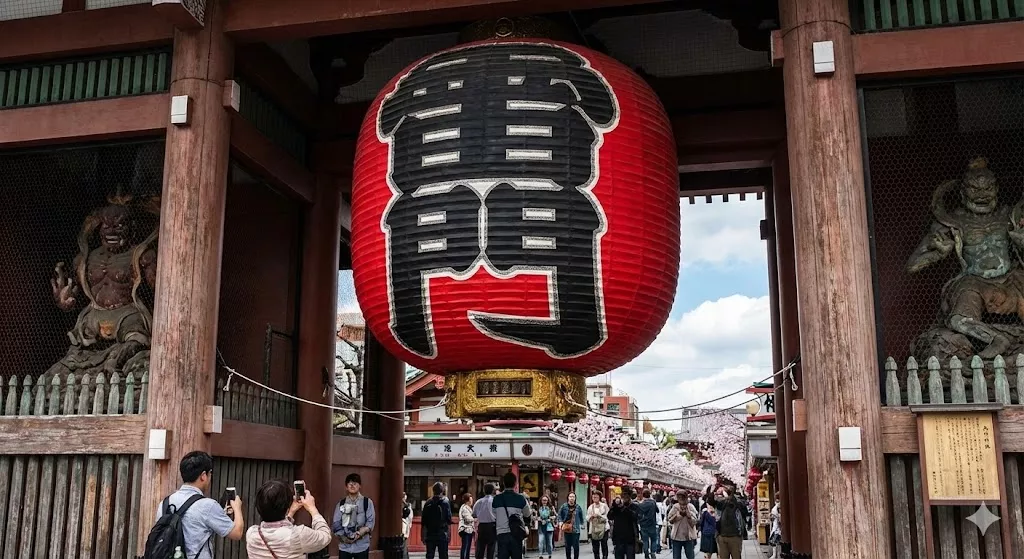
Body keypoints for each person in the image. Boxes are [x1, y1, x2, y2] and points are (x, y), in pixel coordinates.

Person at [153, 450, 244, 559]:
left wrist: (222, 512)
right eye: (210, 473)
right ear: (203, 475)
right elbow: (237, 533)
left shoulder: (165, 503)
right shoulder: (208, 506)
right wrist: (237, 508)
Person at [245, 480, 332, 558]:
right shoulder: (298, 535)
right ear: (287, 507)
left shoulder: (252, 533)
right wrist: (312, 508)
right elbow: (325, 536)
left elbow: (279, 529)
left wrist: (290, 512)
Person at [333, 473, 376, 559]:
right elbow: (336, 524)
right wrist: (345, 538)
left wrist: (359, 533)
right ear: (346, 487)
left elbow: (370, 523)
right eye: (350, 483)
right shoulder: (341, 504)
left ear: (360, 486)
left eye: (355, 483)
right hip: (344, 547)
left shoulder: (367, 502)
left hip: (362, 546)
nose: (352, 486)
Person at [493, 472, 532, 559]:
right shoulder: (521, 498)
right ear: (515, 484)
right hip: (516, 534)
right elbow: (527, 514)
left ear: (503, 483)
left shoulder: (496, 499)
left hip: (501, 534)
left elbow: (493, 515)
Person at [711, 485, 746, 559]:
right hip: (722, 536)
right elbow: (711, 501)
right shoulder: (722, 502)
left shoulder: (738, 502)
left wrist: (731, 497)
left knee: (736, 557)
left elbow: (744, 510)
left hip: (735, 536)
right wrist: (712, 490)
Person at [422, 482, 454, 559]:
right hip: (442, 533)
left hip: (430, 533)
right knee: (443, 555)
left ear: (433, 490)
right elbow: (449, 519)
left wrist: (423, 535)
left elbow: (424, 520)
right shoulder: (445, 502)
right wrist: (449, 534)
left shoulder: (428, 502)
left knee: (429, 555)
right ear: (442, 490)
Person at [608, 490, 640, 559]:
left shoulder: (634, 506)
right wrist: (614, 506)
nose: (624, 499)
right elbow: (610, 516)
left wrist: (624, 508)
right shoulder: (616, 508)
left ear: (629, 498)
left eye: (626, 497)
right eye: (623, 497)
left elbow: (635, 517)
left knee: (630, 556)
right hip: (618, 538)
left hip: (630, 538)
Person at [665, 491, 698, 559]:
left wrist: (689, 516)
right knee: (676, 556)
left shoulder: (690, 507)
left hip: (688, 536)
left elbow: (695, 522)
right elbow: (669, 519)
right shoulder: (675, 507)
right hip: (676, 536)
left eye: (682, 497)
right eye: (679, 497)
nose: (681, 499)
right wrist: (677, 516)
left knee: (690, 556)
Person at [474, 483, 498, 559]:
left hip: (482, 526)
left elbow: (474, 514)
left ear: (484, 491)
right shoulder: (495, 501)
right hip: (492, 526)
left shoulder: (478, 502)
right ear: (493, 491)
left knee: (480, 549)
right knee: (491, 550)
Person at [557, 493, 584, 559]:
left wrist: (582, 524)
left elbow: (581, 516)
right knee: (568, 546)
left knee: (576, 546)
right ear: (568, 498)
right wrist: (560, 522)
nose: (572, 498)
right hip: (567, 529)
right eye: (570, 496)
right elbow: (559, 515)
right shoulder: (564, 506)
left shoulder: (578, 507)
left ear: (575, 498)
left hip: (576, 529)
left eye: (573, 497)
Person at [636, 490, 659, 559]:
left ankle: (646, 552)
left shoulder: (640, 505)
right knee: (654, 539)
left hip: (644, 525)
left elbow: (638, 515)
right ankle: (653, 552)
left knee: (645, 540)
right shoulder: (653, 503)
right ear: (649, 495)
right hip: (652, 524)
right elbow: (657, 511)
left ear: (643, 495)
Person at [587, 491, 610, 559]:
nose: (595, 498)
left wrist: (599, 515)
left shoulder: (604, 506)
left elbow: (608, 516)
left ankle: (605, 556)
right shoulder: (591, 507)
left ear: (599, 497)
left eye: (596, 497)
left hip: (604, 528)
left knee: (604, 544)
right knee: (595, 546)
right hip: (594, 529)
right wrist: (591, 516)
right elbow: (587, 517)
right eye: (593, 497)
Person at [460, 493, 477, 559]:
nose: (472, 501)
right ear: (468, 500)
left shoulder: (468, 508)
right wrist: (474, 519)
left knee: (467, 547)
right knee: (465, 547)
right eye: (471, 499)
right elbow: (467, 518)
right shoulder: (464, 508)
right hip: (466, 530)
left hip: (469, 530)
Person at [403, 492, 414, 558]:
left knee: (404, 545)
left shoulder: (407, 507)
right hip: (404, 527)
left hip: (404, 527)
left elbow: (409, 516)